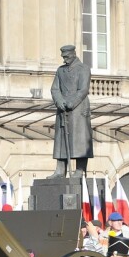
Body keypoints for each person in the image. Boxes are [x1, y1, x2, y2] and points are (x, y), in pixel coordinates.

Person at [48, 44, 92, 179]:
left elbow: (83, 89)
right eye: (63, 57)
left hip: (78, 108)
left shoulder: (83, 69)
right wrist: (59, 101)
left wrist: (72, 102)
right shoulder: (60, 71)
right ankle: (60, 170)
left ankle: (80, 169)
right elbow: (55, 89)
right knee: (61, 139)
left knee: (80, 139)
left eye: (66, 57)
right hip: (62, 108)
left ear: (73, 54)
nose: (64, 59)